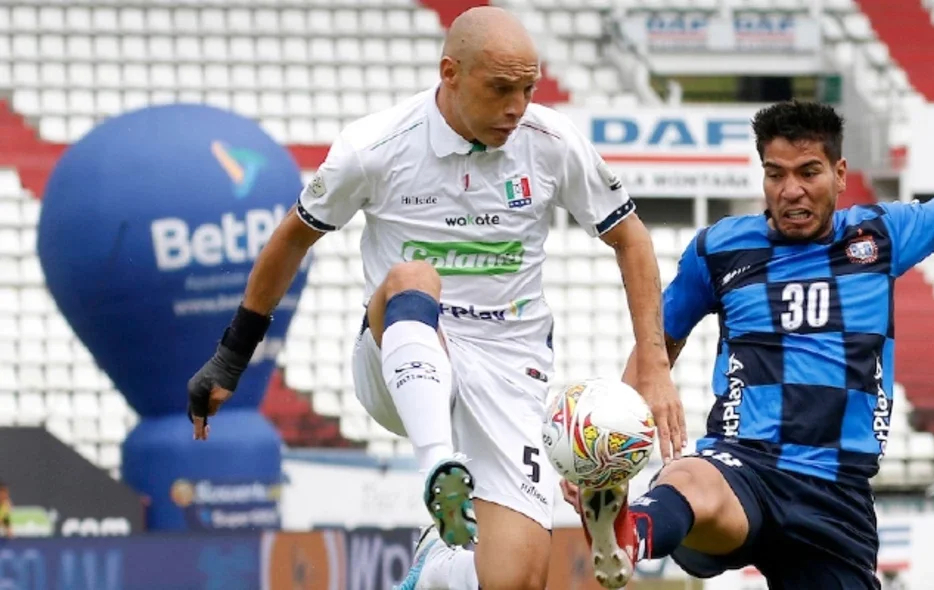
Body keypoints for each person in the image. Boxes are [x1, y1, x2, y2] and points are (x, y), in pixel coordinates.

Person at [562, 39, 934, 589]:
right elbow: (655, 348)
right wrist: (603, 456)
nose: (790, 190)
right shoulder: (719, 250)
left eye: (808, 172)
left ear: (840, 173)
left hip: (836, 493)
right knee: (694, 479)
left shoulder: (880, 236)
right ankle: (628, 535)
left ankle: (636, 528)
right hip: (745, 463)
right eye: (775, 174)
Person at [184, 6, 681, 590]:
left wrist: (654, 365)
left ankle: (438, 564)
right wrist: (232, 354)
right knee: (413, 277)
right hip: (402, 352)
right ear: (450, 72)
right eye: (500, 89)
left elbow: (631, 238)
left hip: (510, 373)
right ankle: (438, 467)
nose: (517, 108)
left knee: (514, 581)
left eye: (527, 89)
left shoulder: (550, 140)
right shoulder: (376, 145)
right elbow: (293, 236)